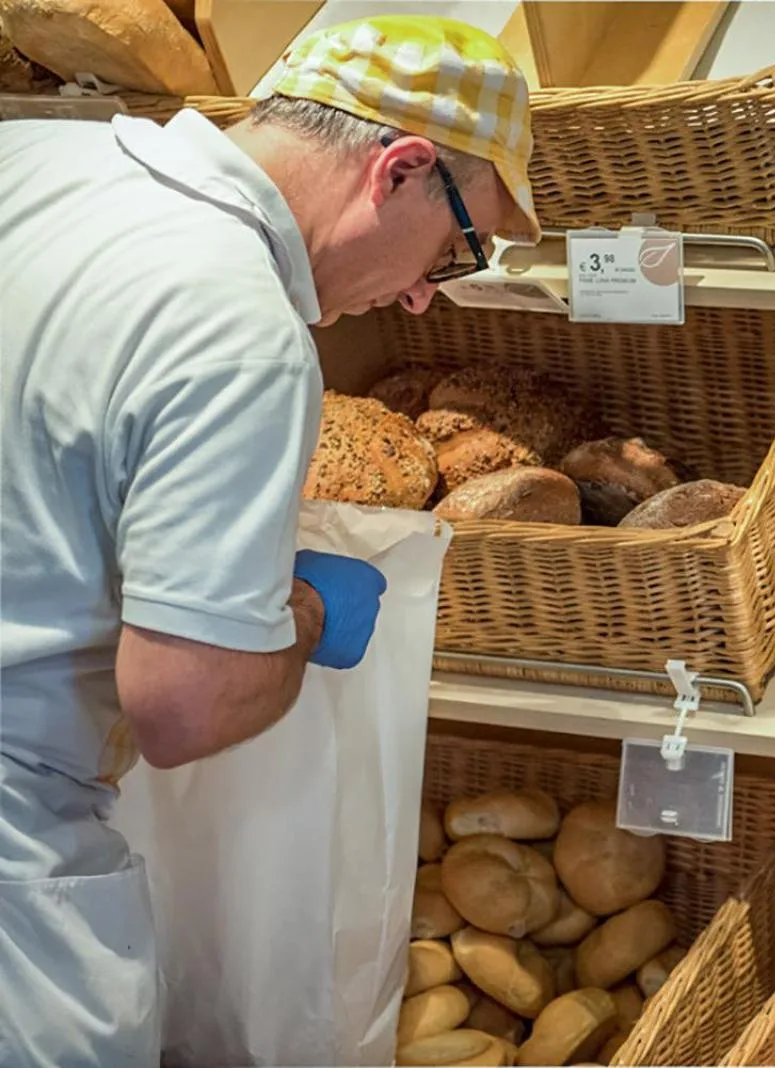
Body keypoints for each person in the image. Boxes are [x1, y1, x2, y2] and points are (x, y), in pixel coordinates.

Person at [0, 16, 539, 1066]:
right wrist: (298, 612)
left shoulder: (37, 161)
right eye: (454, 250)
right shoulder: (239, 330)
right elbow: (184, 702)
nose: (421, 299)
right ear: (400, 169)